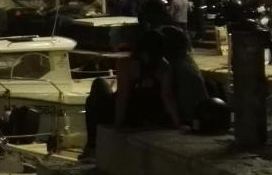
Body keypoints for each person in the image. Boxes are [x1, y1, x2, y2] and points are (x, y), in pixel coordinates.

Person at [82, 28, 179, 160]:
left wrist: (117, 125)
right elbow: (167, 96)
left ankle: (91, 145)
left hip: (131, 113)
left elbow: (123, 96)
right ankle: (91, 145)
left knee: (98, 85)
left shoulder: (126, 63)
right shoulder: (164, 66)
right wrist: (176, 122)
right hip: (150, 113)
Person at [159, 25, 208, 125]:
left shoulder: (173, 65)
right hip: (199, 114)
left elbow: (166, 94)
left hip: (189, 117)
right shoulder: (186, 60)